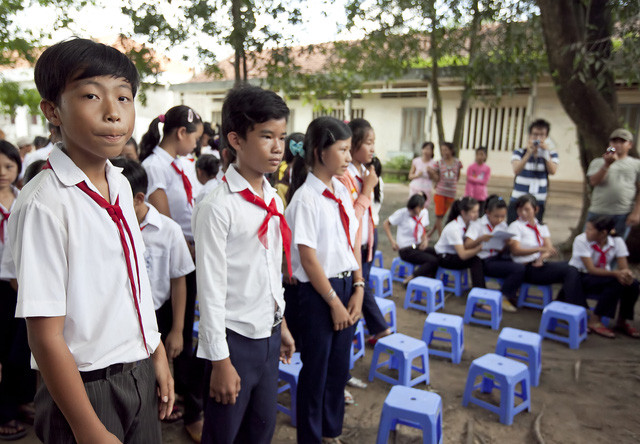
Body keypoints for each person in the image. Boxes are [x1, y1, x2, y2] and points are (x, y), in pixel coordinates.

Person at [5, 38, 173, 443]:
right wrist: (86, 427)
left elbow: (132, 281)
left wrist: (156, 351)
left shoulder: (118, 182)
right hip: (83, 389)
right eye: (91, 95)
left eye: (125, 97)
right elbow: (44, 334)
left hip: (138, 369)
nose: (113, 112)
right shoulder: (45, 203)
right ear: (53, 111)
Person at [193, 85, 295, 444]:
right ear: (236, 139)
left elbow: (269, 272)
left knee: (261, 429)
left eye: (281, 136)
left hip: (266, 336)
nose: (278, 147)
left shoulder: (273, 199)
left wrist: (279, 323)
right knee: (224, 433)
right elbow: (210, 290)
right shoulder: (218, 205)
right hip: (233, 341)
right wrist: (220, 362)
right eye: (266, 136)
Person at [285, 116, 364, 444]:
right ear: (319, 152)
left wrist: (359, 286)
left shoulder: (341, 193)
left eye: (349, 150)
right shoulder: (306, 199)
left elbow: (352, 241)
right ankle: (311, 437)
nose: (349, 157)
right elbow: (308, 258)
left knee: (337, 369)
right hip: (319, 295)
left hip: (346, 287)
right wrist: (333, 301)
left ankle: (331, 432)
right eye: (343, 150)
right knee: (316, 371)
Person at [140, 105, 204, 437]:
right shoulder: (154, 166)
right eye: (195, 137)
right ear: (181, 133)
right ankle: (184, 407)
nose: (196, 143)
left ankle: (177, 395)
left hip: (188, 253)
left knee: (181, 333)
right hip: (172, 255)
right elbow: (165, 221)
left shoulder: (181, 164)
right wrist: (188, 247)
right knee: (171, 333)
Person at [114, 157, 196, 360]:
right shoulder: (111, 226)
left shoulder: (169, 230)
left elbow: (178, 282)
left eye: (116, 198)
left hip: (158, 314)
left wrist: (177, 330)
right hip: (121, 316)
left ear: (138, 199)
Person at [340, 119, 390, 348]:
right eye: (368, 143)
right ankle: (378, 329)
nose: (372, 148)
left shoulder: (365, 171)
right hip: (355, 244)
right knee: (359, 287)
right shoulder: (346, 175)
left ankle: (365, 330)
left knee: (361, 286)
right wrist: (368, 187)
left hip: (368, 240)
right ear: (353, 145)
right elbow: (352, 219)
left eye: (373, 143)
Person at [0, 141, 35, 441]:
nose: (2, 173)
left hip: (19, 284)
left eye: (9, 166)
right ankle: (5, 412)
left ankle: (20, 401)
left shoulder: (23, 197)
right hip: (1, 284)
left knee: (20, 348)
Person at [568, 215, 639, 339]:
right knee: (615, 282)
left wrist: (627, 274)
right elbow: (591, 269)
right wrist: (616, 274)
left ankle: (623, 320)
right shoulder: (581, 240)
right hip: (582, 277)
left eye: (590, 229)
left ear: (603, 233)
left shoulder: (617, 241)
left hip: (603, 277)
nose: (587, 231)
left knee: (633, 284)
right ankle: (595, 320)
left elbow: (623, 266)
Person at [508, 194, 582, 301]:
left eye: (527, 210)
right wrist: (539, 249)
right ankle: (567, 303)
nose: (523, 213)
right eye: (520, 210)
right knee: (569, 270)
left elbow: (549, 248)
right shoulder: (516, 226)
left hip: (540, 264)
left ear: (536, 209)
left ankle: (563, 301)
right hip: (526, 267)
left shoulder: (541, 226)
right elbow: (516, 251)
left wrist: (541, 258)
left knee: (574, 265)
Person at [465, 195, 523, 312]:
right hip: (484, 261)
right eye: (496, 216)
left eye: (502, 216)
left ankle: (504, 295)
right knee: (518, 269)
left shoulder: (503, 225)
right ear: (488, 212)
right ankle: (501, 298)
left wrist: (507, 242)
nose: (500, 219)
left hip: (497, 257)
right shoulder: (478, 224)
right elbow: (467, 245)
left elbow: (501, 248)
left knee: (520, 267)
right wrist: (481, 239)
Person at [586, 128, 640, 239]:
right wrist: (607, 164)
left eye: (622, 141)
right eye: (615, 141)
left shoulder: (636, 164)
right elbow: (593, 182)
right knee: (589, 243)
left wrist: (636, 212)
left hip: (623, 213)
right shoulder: (598, 162)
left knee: (616, 246)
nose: (618, 144)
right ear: (610, 144)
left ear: (630, 144)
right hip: (598, 211)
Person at [507, 119, 558, 223]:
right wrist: (528, 153)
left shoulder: (551, 154)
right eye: (535, 135)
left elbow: (553, 171)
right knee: (513, 229)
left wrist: (545, 154)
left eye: (542, 135)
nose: (538, 138)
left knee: (533, 231)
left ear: (546, 137)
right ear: (530, 135)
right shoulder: (519, 152)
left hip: (538, 200)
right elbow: (516, 170)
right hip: (518, 199)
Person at [383, 192, 438, 284]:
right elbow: (386, 223)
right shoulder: (402, 213)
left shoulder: (423, 213)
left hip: (418, 246)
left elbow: (423, 228)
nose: (416, 213)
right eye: (413, 211)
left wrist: (425, 241)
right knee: (432, 261)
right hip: (406, 249)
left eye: (418, 210)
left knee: (437, 253)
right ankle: (411, 279)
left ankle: (429, 279)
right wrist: (392, 241)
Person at [434, 196, 486, 290]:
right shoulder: (454, 228)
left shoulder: (470, 223)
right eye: (473, 212)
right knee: (475, 260)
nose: (476, 215)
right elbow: (463, 255)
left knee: (478, 259)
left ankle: (480, 289)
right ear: (463, 213)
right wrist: (480, 248)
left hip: (454, 253)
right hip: (444, 257)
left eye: (477, 211)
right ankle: (480, 292)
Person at [431, 141, 463, 237]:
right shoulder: (439, 163)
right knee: (439, 216)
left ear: (451, 150)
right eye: (442, 150)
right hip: (440, 192)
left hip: (451, 193)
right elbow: (437, 178)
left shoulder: (458, 163)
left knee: (443, 215)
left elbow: (457, 176)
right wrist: (431, 172)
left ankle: (430, 233)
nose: (444, 152)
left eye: (446, 149)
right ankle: (441, 236)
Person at [465, 146, 490, 214]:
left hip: (482, 196)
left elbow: (485, 181)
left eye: (482, 154)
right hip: (471, 196)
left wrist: (473, 179)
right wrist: (468, 195)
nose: (479, 156)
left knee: (480, 214)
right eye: (478, 154)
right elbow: (468, 179)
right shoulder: (471, 167)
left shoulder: (487, 168)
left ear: (485, 156)